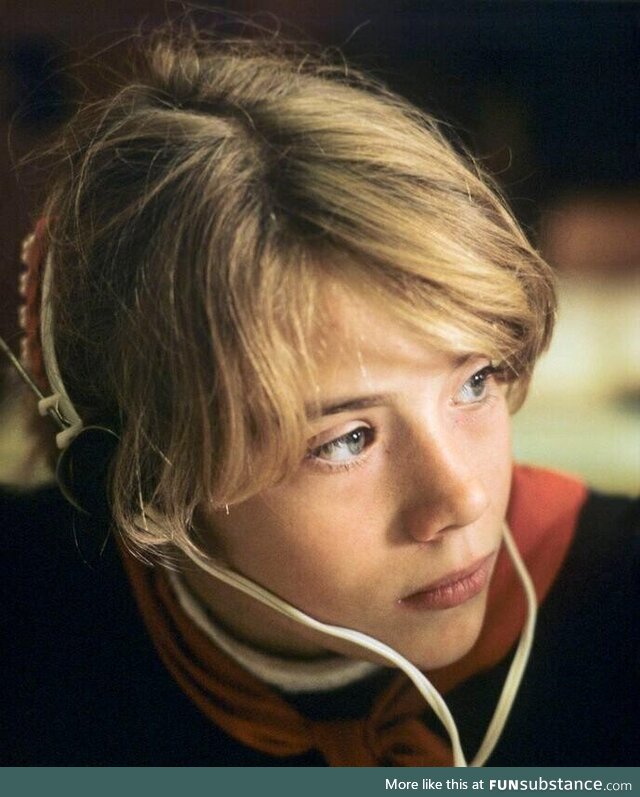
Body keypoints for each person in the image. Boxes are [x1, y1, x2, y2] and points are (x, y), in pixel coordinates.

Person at [1, 26, 638, 767]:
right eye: (346, 440)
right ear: (138, 473)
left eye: (475, 380)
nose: (462, 498)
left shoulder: (613, 607)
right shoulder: (30, 621)